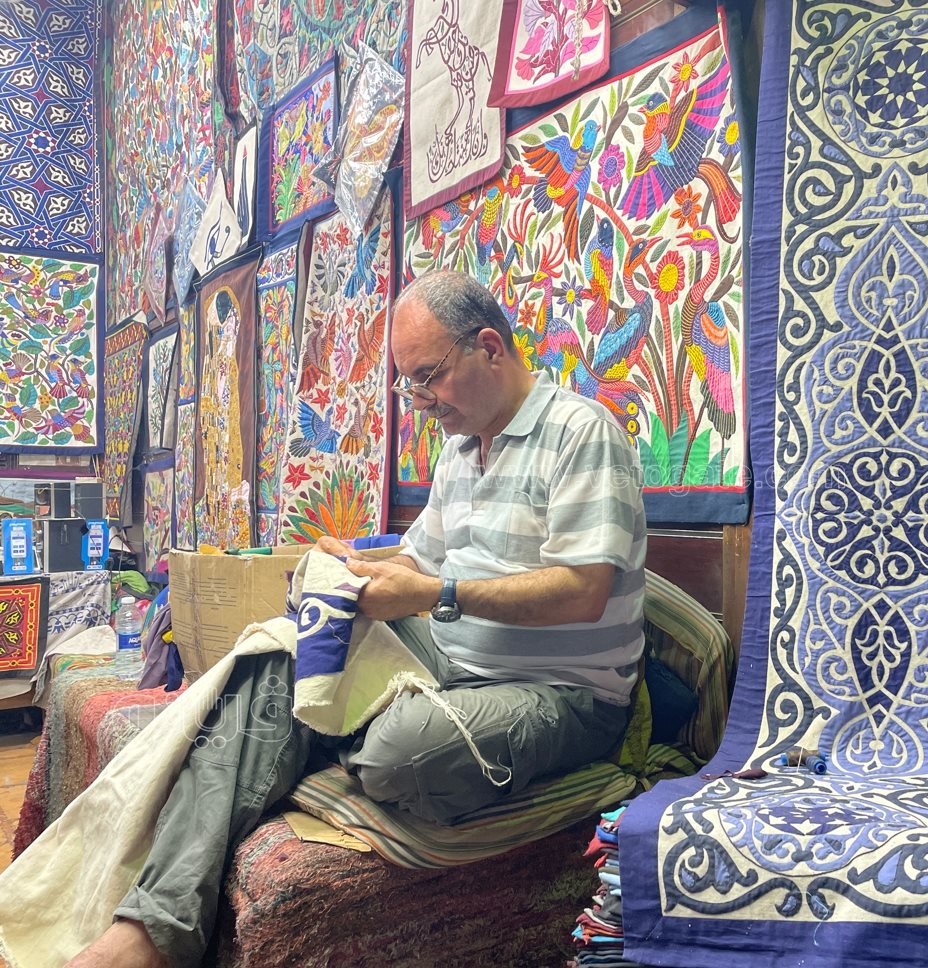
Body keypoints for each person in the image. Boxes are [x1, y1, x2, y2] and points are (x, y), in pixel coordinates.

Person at [68, 270, 647, 967]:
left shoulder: (582, 433)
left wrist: (432, 594)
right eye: (409, 383)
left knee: (399, 754)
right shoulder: (463, 448)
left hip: (561, 691)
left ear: (490, 348)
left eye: (427, 377)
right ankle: (154, 928)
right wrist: (356, 564)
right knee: (277, 663)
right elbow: (421, 557)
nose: (420, 401)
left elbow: (583, 591)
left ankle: (309, 741)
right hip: (450, 656)